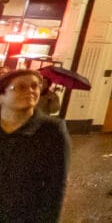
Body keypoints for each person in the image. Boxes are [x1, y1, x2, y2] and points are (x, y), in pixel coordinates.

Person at [0, 69, 70, 222]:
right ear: (1, 96)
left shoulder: (52, 130)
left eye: (35, 86)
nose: (31, 91)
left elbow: (56, 185)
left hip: (24, 215)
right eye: (21, 87)